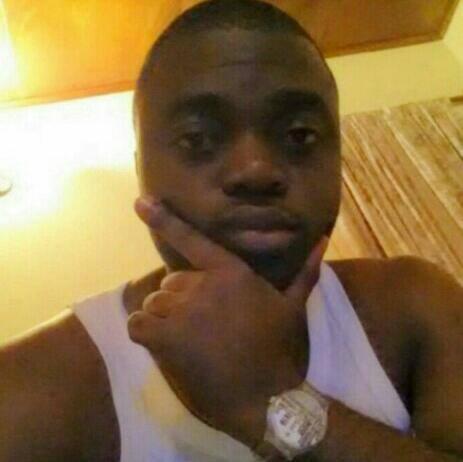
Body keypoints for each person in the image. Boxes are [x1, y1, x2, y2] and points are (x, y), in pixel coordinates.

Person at [1, 0, 462, 460]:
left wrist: (273, 403)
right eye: (197, 139)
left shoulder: (414, 304)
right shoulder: (32, 386)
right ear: (142, 171)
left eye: (299, 135)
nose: (256, 169)